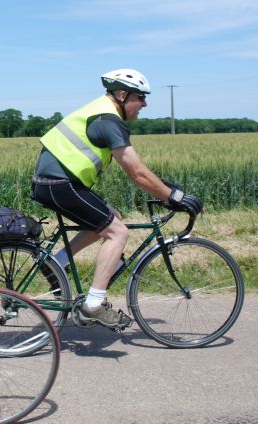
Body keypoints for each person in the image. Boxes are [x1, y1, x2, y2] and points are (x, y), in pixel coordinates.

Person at [31, 68, 203, 329]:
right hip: (60, 184)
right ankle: (94, 305)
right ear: (122, 95)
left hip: (59, 182)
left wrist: (165, 189)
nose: (144, 104)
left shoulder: (102, 112)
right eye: (140, 97)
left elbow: (139, 172)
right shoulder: (108, 120)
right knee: (118, 233)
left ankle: (58, 262)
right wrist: (174, 196)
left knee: (113, 218)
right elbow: (137, 173)